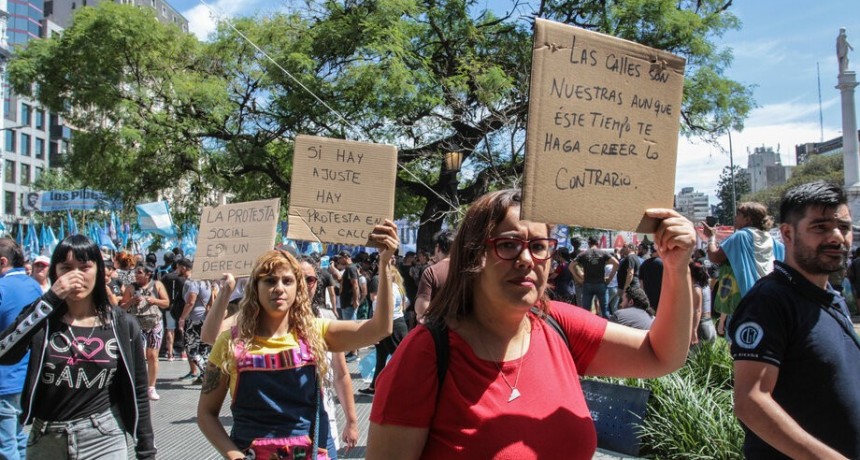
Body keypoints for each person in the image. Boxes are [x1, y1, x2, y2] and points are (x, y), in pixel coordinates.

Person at [367, 189, 695, 459]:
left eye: (538, 246)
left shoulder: (558, 325)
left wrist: (677, 267)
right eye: (508, 244)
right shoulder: (425, 353)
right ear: (473, 255)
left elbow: (660, 354)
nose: (526, 259)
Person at [197, 220, 399, 460]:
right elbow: (206, 414)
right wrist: (234, 455)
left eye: (287, 281)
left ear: (298, 288)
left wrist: (385, 262)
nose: (279, 288)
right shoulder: (230, 342)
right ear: (256, 287)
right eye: (270, 280)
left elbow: (380, 329)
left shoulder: (316, 332)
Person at [731, 182, 860, 458]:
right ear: (787, 234)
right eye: (820, 227)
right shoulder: (768, 301)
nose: (838, 237)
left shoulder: (831, 297)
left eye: (844, 228)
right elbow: (750, 401)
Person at [0, 235, 155, 459]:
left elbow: (139, 391)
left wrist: (146, 451)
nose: (76, 276)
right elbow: (5, 352)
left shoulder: (121, 324)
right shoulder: (43, 319)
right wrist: (51, 298)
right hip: (47, 437)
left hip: (103, 436)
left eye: (84, 267)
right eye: (66, 268)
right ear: (56, 272)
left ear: (98, 271)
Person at [702, 202, 784, 336]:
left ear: (748, 219)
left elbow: (715, 257)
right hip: (770, 302)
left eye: (738, 215)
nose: (735, 218)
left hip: (745, 304)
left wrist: (711, 237)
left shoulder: (740, 236)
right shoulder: (775, 242)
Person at [0, 239, 43, 459]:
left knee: (5, 445)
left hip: (4, 377)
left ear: (2, 261)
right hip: (27, 373)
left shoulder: (2, 288)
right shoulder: (34, 285)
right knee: (17, 436)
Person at [359, 254, 409, 396]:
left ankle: (403, 387)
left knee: (399, 359)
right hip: (394, 323)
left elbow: (388, 307)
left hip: (390, 324)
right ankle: (375, 387)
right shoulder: (397, 287)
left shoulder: (391, 288)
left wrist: (378, 315)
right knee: (382, 356)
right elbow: (405, 303)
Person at [120, 264, 169, 401]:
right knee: (139, 355)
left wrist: (154, 301)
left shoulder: (157, 285)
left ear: (148, 274)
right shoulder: (131, 287)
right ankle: (138, 385)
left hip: (154, 324)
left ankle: (151, 387)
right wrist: (131, 301)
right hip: (137, 324)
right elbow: (122, 307)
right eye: (136, 272)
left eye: (139, 272)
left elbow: (166, 303)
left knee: (153, 356)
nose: (136, 275)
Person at [176, 258, 211, 384]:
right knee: (204, 349)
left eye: (178, 267)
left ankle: (208, 373)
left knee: (191, 349)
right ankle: (204, 375)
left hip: (195, 319)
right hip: (206, 318)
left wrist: (182, 318)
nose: (177, 270)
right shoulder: (207, 282)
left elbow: (190, 301)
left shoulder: (194, 282)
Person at [571, 236, 619, 317]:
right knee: (605, 310)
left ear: (589, 244)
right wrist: (610, 278)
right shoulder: (603, 253)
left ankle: (587, 328)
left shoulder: (583, 254)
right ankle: (606, 327)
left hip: (588, 284)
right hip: (601, 283)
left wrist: (578, 278)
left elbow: (571, 266)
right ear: (598, 243)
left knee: (586, 311)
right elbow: (616, 263)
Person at [414, 229, 456, 321]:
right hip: (466, 329)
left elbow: (421, 308)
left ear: (438, 247)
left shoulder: (432, 272)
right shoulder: (469, 270)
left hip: (440, 328)